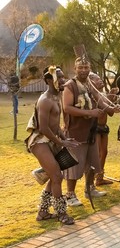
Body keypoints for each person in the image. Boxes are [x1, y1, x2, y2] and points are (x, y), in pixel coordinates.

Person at [62, 55, 120, 207]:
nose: (83, 70)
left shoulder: (89, 84)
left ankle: (90, 189)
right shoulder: (70, 86)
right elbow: (67, 107)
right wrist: (89, 113)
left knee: (93, 163)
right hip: (76, 132)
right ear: (74, 69)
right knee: (74, 165)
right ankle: (70, 195)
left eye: (86, 67)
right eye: (80, 67)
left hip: (90, 131)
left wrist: (110, 108)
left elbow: (99, 99)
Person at [26, 66, 79, 224]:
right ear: (49, 81)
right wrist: (60, 142)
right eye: (60, 77)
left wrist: (64, 138)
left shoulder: (57, 96)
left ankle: (42, 212)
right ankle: (62, 213)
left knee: (53, 176)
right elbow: (43, 128)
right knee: (57, 175)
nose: (63, 80)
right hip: (40, 142)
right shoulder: (45, 100)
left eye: (64, 77)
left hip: (52, 139)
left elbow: (55, 125)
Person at [88, 72, 115, 186]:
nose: (100, 81)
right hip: (96, 128)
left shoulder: (103, 94)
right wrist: (107, 101)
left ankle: (100, 178)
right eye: (97, 79)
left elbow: (111, 114)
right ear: (91, 83)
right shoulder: (92, 96)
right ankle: (92, 180)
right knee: (97, 153)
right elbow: (98, 112)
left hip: (104, 127)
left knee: (104, 152)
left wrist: (110, 100)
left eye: (100, 79)